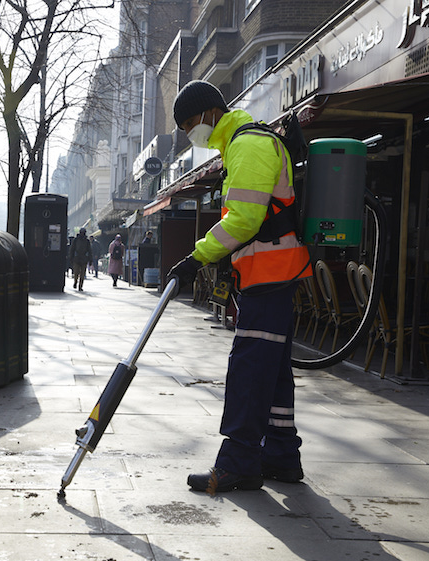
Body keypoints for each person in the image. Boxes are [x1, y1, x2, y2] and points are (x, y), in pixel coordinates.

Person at [168, 80, 312, 494]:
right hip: (272, 273)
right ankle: (281, 454)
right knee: (273, 369)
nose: (188, 133)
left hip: (270, 273)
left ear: (209, 112)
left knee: (249, 368)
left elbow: (244, 220)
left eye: (188, 124)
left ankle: (239, 462)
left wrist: (198, 257)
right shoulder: (240, 144)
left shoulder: (248, 145)